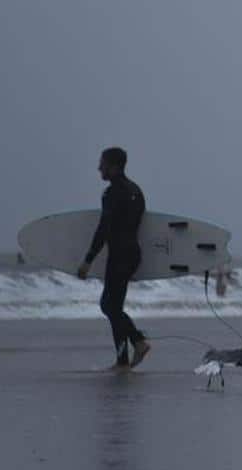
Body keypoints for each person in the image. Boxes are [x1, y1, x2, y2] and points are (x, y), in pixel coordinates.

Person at [77, 147, 150, 370]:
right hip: (132, 254)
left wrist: (88, 259)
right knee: (112, 306)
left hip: (119, 255)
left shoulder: (112, 194)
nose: (100, 168)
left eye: (103, 164)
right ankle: (123, 359)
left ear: (114, 166)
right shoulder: (136, 191)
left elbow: (104, 229)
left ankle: (138, 342)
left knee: (109, 305)